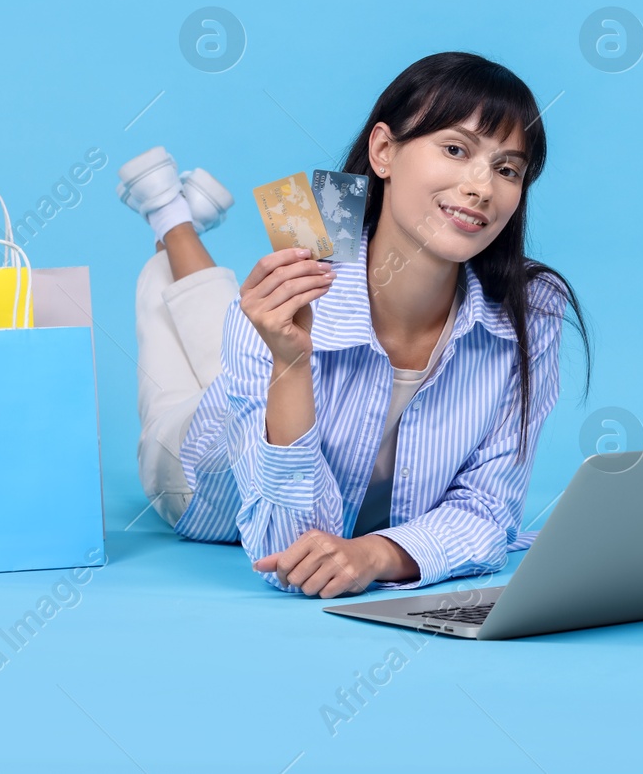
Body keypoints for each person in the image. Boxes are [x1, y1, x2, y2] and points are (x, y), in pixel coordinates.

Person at [122, 52, 589, 597]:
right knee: (190, 328)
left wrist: (375, 554)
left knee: (232, 321)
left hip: (258, 360)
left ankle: (177, 219)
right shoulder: (303, 287)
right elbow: (290, 553)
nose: (482, 187)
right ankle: (171, 224)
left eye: (507, 169)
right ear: (384, 151)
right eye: (456, 149)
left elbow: (488, 510)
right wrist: (290, 363)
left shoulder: (530, 310)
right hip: (192, 470)